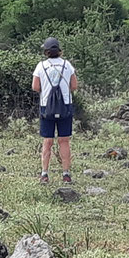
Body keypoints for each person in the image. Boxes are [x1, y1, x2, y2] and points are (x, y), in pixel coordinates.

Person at [31, 37, 78, 184]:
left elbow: (35, 87)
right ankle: (66, 174)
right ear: (59, 51)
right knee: (64, 140)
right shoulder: (67, 65)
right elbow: (74, 85)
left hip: (47, 106)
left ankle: (44, 174)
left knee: (47, 141)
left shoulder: (41, 66)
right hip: (65, 105)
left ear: (46, 52)